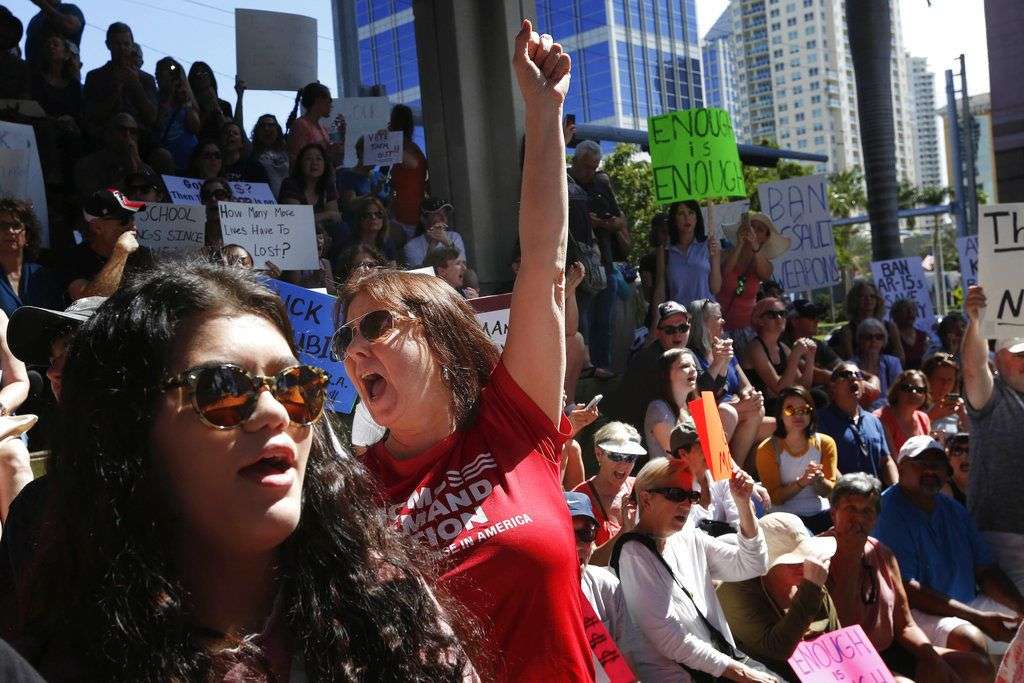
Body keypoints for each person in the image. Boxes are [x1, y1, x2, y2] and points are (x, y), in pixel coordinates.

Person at [11, 261, 473, 679]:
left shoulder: (386, 600)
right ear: (131, 425)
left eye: (295, 386)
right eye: (223, 388)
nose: (276, 412)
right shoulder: (62, 659)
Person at [335, 22, 592, 679]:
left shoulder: (513, 421)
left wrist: (542, 114)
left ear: (440, 336)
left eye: (374, 327)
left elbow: (543, 262)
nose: (355, 349)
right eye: (344, 338)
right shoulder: (350, 492)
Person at [612, 457, 774, 682]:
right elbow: (669, 638)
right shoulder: (634, 554)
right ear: (646, 499)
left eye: (692, 496)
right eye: (677, 495)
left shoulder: (687, 536)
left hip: (720, 666)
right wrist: (739, 672)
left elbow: (753, 564)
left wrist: (743, 504)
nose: (687, 504)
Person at [823, 473, 995, 681]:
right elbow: (839, 626)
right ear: (834, 514)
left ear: (876, 518)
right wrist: (850, 557)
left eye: (867, 511)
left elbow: (905, 624)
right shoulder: (818, 554)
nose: (859, 518)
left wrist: (934, 661)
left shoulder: (883, 553)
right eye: (850, 509)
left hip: (890, 649)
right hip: (844, 659)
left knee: (977, 668)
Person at [873, 435, 1024, 656]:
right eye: (921, 464)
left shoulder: (954, 510)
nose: (931, 471)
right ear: (901, 468)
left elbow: (986, 570)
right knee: (970, 638)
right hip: (914, 613)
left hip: (966, 604)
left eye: (937, 465)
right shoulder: (888, 511)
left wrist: (1020, 607)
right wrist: (977, 618)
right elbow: (908, 591)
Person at [717, 512, 840, 678]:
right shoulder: (734, 591)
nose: (803, 565)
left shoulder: (811, 581)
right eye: (792, 561)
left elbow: (837, 635)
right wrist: (811, 588)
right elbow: (777, 649)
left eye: (806, 556)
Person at [962, 285, 1024, 594]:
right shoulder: (993, 398)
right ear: (997, 360)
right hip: (1003, 540)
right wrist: (977, 322)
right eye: (1017, 355)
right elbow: (973, 370)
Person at [567, 140, 628, 377]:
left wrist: (604, 222)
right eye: (585, 166)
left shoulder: (601, 184)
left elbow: (621, 219)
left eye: (594, 167)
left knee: (604, 321)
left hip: (604, 262)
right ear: (575, 161)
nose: (589, 172)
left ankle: (603, 365)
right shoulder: (566, 182)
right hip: (578, 265)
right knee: (582, 322)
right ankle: (584, 367)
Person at [688, 298, 769, 467]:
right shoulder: (692, 354)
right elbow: (702, 397)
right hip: (712, 416)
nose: (723, 321)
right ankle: (723, 470)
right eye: (718, 317)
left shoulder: (725, 346)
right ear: (703, 323)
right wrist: (719, 362)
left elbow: (745, 384)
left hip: (735, 410)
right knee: (729, 411)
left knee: (777, 426)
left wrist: (749, 395)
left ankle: (738, 470)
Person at [565, 492, 635, 683]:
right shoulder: (529, 597)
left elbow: (623, 669)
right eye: (565, 534)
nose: (578, 545)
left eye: (586, 533)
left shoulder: (606, 586)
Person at [756, 386, 838, 534]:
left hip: (821, 514)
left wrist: (819, 480)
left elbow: (829, 491)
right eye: (790, 410)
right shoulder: (767, 449)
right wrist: (802, 482)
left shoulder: (826, 443)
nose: (797, 415)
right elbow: (775, 498)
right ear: (780, 414)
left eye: (804, 410)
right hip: (784, 521)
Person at [603, 300, 692, 432]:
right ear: (657, 333)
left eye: (683, 328)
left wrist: (721, 364)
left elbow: (699, 396)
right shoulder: (649, 361)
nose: (677, 334)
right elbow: (674, 405)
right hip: (629, 433)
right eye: (669, 330)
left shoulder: (688, 355)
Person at [59, 189, 153, 300]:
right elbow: (88, 302)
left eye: (132, 218)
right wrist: (120, 253)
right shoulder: (72, 260)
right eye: (124, 221)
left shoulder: (144, 256)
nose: (133, 227)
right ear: (97, 227)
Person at [816, 363, 898, 485]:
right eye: (846, 374)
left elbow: (886, 460)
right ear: (833, 386)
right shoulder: (820, 420)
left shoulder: (873, 421)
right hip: (842, 499)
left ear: (863, 387)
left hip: (873, 498)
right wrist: (848, 490)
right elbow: (824, 461)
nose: (853, 378)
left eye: (858, 375)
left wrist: (895, 490)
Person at [572, 422, 643, 563]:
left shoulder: (641, 487)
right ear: (599, 454)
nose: (623, 465)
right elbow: (587, 562)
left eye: (630, 458)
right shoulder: (580, 499)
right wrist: (625, 531)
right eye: (616, 456)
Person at [717, 212, 789, 342]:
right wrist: (739, 244)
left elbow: (765, 274)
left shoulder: (765, 264)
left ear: (765, 238)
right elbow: (724, 273)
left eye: (759, 230)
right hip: (720, 329)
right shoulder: (724, 254)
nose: (753, 231)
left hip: (747, 329)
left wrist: (755, 246)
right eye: (751, 227)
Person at [81, 22, 157, 140]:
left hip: (141, 137)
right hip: (106, 137)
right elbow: (91, 116)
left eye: (126, 44)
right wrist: (116, 90)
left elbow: (152, 118)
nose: (122, 48)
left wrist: (136, 85)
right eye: (117, 44)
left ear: (132, 45)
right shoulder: (95, 77)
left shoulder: (147, 79)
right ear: (108, 45)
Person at [742, 297, 815, 417]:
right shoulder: (755, 348)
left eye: (782, 314)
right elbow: (780, 389)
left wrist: (810, 357)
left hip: (783, 404)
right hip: (765, 408)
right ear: (759, 320)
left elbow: (804, 387)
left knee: (817, 397)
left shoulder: (783, 347)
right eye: (772, 315)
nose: (779, 318)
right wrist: (795, 356)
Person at [0, 199, 62, 317]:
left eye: (16, 226)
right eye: (3, 226)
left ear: (27, 236)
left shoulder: (41, 275)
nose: (10, 231)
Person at [72, 113, 155, 200]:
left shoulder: (144, 169)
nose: (127, 135)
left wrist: (138, 163)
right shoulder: (87, 165)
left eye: (133, 132)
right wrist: (129, 177)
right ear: (108, 134)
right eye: (121, 129)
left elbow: (155, 202)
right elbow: (95, 200)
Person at [828, 279, 905, 363]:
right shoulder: (847, 331)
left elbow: (900, 357)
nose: (868, 299)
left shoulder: (890, 327)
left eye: (872, 296)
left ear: (878, 300)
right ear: (855, 300)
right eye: (862, 296)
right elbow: (850, 361)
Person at [663, 200, 721, 308]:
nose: (687, 218)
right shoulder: (667, 251)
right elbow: (662, 290)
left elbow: (715, 288)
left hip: (707, 315)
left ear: (697, 217)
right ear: (674, 220)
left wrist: (715, 257)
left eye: (691, 213)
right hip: (680, 318)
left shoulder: (709, 246)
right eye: (681, 214)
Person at [644, 348, 699, 462]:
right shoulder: (658, 409)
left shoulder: (695, 404)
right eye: (685, 366)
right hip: (668, 478)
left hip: (699, 474)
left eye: (694, 366)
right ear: (667, 374)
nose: (693, 370)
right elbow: (680, 458)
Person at [278, 143, 342, 237]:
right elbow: (295, 219)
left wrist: (323, 218)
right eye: (308, 159)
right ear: (300, 163)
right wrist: (327, 215)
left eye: (319, 159)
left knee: (341, 229)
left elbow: (335, 217)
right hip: (293, 233)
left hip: (322, 232)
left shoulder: (328, 184)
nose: (314, 163)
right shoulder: (290, 184)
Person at [152, 57, 199, 172]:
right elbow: (157, 124)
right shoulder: (154, 98)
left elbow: (195, 127)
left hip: (189, 155)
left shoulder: (187, 99)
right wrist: (168, 96)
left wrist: (186, 102)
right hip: (166, 157)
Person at [387, 103, 428, 234]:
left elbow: (413, 164)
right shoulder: (413, 147)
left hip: (409, 211)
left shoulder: (407, 149)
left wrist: (388, 140)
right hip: (405, 209)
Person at [783, 298, 841, 386]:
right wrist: (846, 379)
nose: (817, 320)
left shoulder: (818, 344)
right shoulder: (784, 346)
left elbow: (840, 365)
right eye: (812, 317)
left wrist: (862, 376)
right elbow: (815, 374)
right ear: (795, 321)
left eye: (817, 317)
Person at [874, 369, 932, 455]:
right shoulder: (880, 418)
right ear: (897, 390)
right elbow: (889, 458)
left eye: (919, 389)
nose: (914, 393)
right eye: (908, 388)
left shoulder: (923, 418)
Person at [285, 82, 343, 165]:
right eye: (329, 100)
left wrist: (340, 136)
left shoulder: (323, 129)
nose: (331, 105)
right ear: (318, 100)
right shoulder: (300, 125)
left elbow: (336, 161)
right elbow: (296, 159)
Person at [852, 317, 903, 410]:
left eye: (879, 337)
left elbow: (899, 395)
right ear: (860, 340)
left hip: (888, 414)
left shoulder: (892, 363)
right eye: (868, 337)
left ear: (884, 341)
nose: (874, 340)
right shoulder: (851, 366)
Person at [28, 32, 81, 121]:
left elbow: (78, 111)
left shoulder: (73, 85)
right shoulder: (35, 78)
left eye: (55, 45)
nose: (51, 47)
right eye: (47, 45)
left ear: (66, 54)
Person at [186, 61, 243, 143]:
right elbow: (192, 131)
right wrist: (207, 110)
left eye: (204, 73)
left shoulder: (224, 105)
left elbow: (228, 130)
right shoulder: (189, 105)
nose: (201, 76)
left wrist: (216, 107)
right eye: (197, 74)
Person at [402, 198, 467, 269]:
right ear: (423, 219)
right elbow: (422, 276)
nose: (444, 218)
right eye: (438, 214)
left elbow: (463, 267)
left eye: (445, 214)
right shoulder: (411, 246)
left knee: (470, 275)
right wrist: (432, 244)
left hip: (453, 277)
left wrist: (447, 242)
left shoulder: (454, 236)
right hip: (431, 279)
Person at [23, 0, 83, 72]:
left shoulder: (70, 8)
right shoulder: (35, 20)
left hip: (64, 76)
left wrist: (42, 4)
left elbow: (71, 25)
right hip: (36, 75)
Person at [923, 352, 967, 439]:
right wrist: (931, 416)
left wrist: (963, 415)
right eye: (940, 379)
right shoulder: (916, 404)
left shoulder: (958, 407)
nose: (945, 385)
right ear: (928, 379)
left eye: (950, 380)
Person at [344, 196, 400, 263]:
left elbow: (393, 269)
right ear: (359, 219)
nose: (373, 217)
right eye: (367, 215)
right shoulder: (350, 246)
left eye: (378, 214)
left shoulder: (387, 242)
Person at [249, 114, 289, 197]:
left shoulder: (287, 151)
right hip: (263, 202)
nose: (266, 128)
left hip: (288, 202)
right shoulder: (250, 153)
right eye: (262, 126)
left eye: (271, 125)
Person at [892, 299, 929, 370]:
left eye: (913, 309)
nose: (910, 312)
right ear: (896, 314)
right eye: (905, 309)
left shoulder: (922, 336)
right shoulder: (889, 336)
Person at [941, 432, 970, 506]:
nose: (964, 457)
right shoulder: (945, 491)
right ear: (949, 459)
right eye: (957, 451)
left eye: (969, 451)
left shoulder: (985, 486)